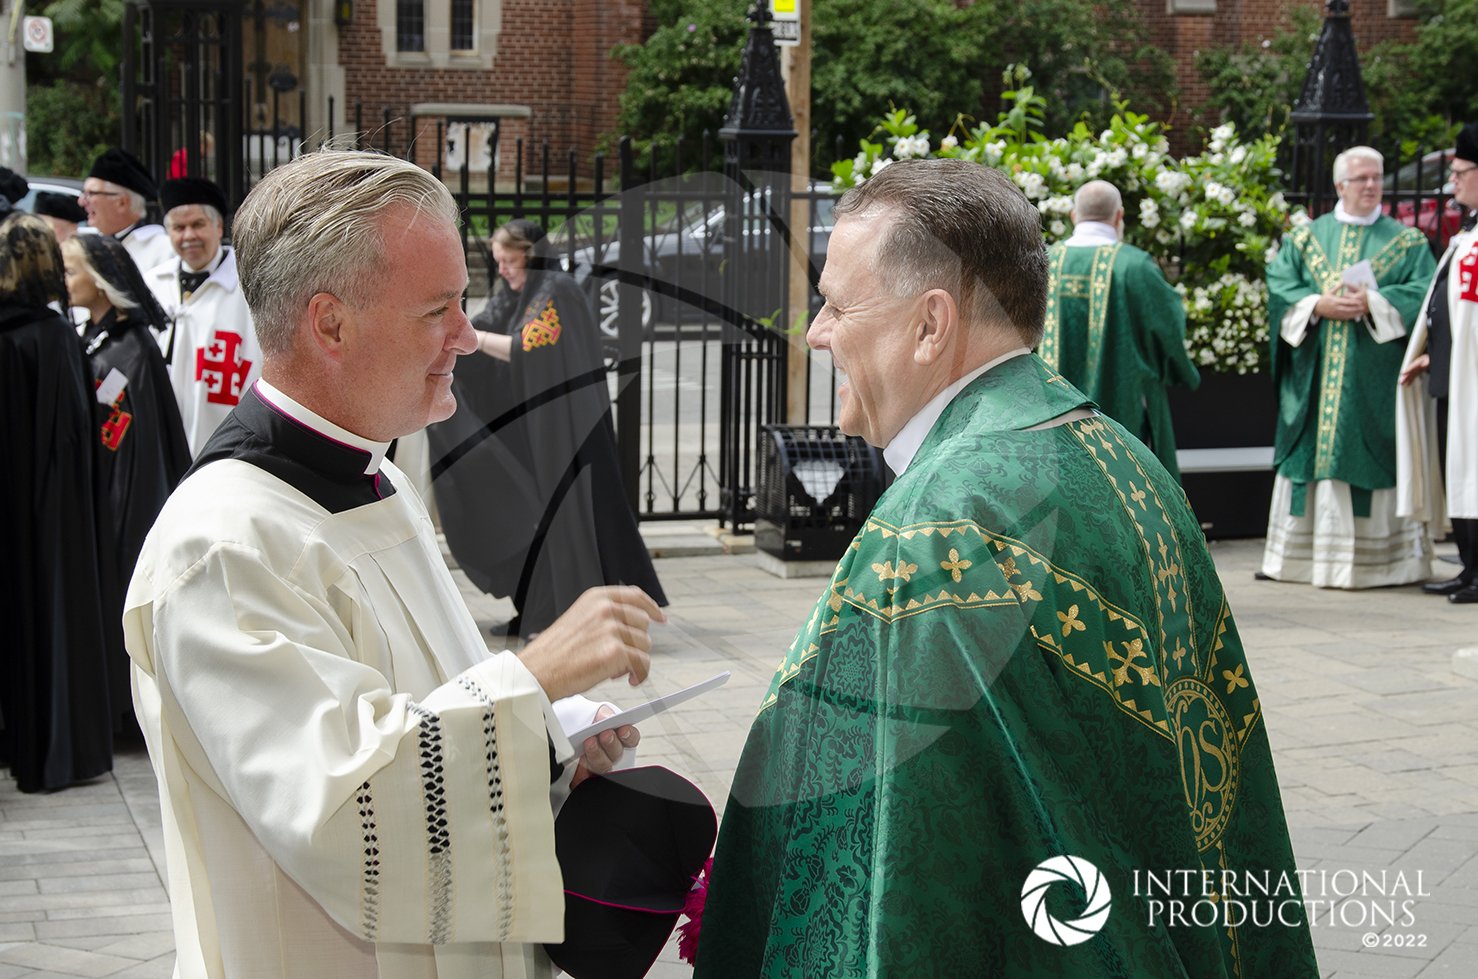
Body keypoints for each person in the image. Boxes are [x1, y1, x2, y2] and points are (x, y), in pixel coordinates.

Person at [692, 160, 1317, 977]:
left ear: (931, 324)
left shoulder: (936, 527)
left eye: (838, 305)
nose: (815, 332)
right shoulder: (1126, 458)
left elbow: (899, 866)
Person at [123, 150, 663, 977]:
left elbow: (417, 700)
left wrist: (551, 735)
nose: (465, 336)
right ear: (330, 325)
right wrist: (531, 680)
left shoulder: (378, 478)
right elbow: (341, 816)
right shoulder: (224, 546)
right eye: (438, 309)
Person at [427, 218, 666, 639]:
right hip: (535, 431)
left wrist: (473, 339)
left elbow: (528, 346)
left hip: (569, 433)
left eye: (509, 260)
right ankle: (538, 610)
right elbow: (487, 324)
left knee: (570, 521)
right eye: (498, 261)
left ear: (531, 254)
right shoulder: (517, 293)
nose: (502, 269)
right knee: (534, 517)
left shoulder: (557, 291)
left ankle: (573, 618)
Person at [1261, 146, 1437, 588]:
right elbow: (1279, 286)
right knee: (1312, 454)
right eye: (1362, 178)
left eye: (1377, 177)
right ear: (1340, 185)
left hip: (1372, 376)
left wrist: (1374, 302)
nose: (1372, 185)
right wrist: (1315, 304)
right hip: (1315, 373)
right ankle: (1300, 560)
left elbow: (1425, 292)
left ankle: (1382, 564)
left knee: (1368, 451)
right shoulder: (1306, 237)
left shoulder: (1407, 241)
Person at [0, 212, 118, 793]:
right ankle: (50, 749)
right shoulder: (50, 338)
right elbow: (72, 443)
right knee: (48, 623)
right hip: (48, 519)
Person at [1039, 179, 1200, 479]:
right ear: (1119, 216)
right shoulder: (1135, 266)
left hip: (1050, 413)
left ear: (1073, 216)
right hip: (1125, 412)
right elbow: (1168, 328)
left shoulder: (1045, 263)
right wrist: (1183, 372)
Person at [63, 233, 191, 591]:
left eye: (70, 272)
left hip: (121, 500)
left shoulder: (131, 351)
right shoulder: (91, 335)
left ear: (99, 280)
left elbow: (133, 449)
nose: (63, 281)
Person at [1398, 123, 1478, 604]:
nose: (1453, 183)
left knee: (1473, 467)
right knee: (1458, 466)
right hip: (1452, 371)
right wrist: (1434, 354)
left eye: (1461, 172)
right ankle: (1470, 566)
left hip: (1473, 378)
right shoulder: (1467, 233)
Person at [144, 177, 263, 454]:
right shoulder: (153, 283)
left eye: (198, 225)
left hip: (225, 432)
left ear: (218, 227)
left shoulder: (248, 284)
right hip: (164, 432)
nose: (189, 236)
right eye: (179, 228)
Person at [82, 148, 174, 274]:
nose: (82, 201)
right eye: (84, 193)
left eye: (91, 194)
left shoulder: (162, 250)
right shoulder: (89, 246)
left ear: (122, 203)